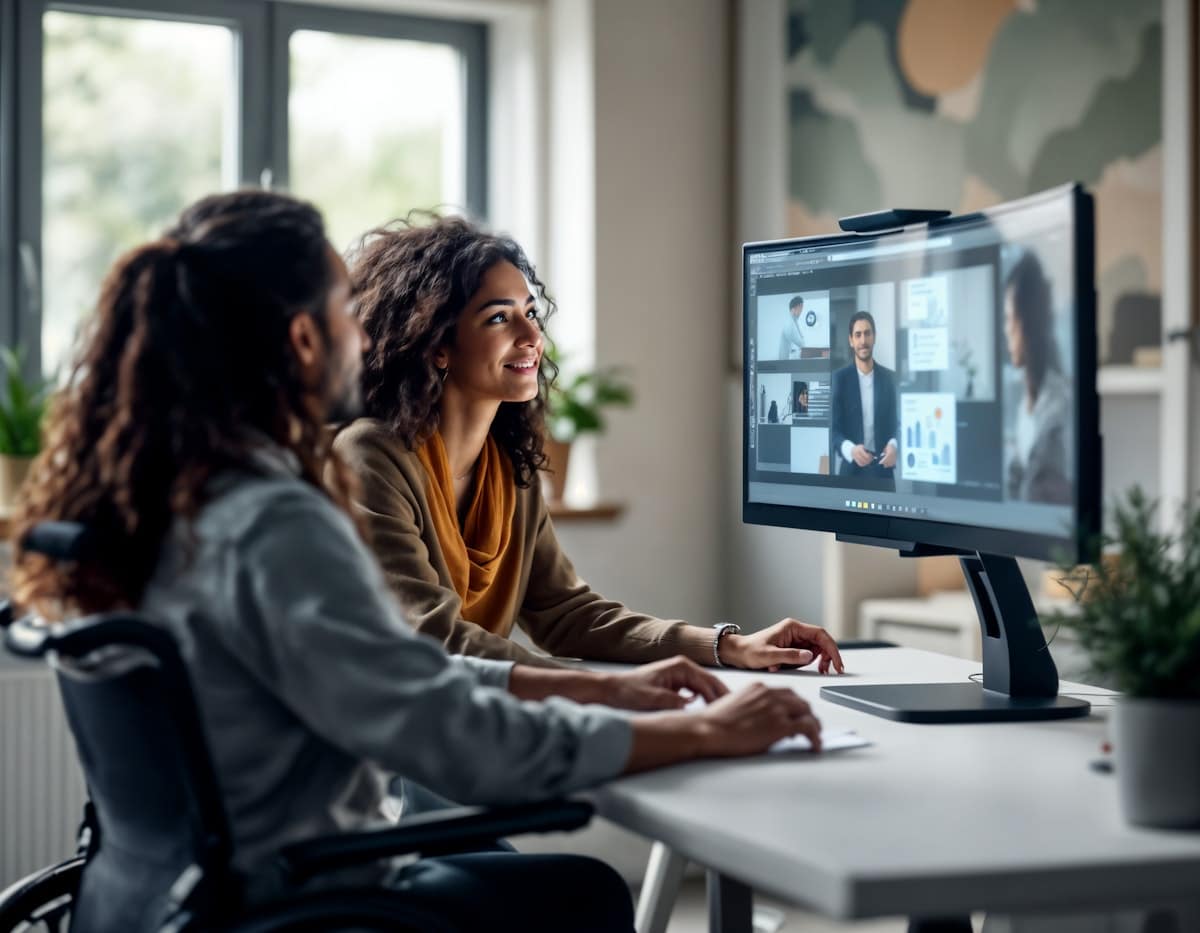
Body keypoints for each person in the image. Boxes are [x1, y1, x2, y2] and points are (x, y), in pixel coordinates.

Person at [10, 191, 824, 929]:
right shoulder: (276, 520)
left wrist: (611, 683)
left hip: (149, 896)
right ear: (302, 337)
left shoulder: (183, 503)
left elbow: (406, 669)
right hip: (297, 901)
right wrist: (696, 733)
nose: (361, 331)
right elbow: (443, 723)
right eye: (342, 308)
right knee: (584, 893)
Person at [335, 215, 845, 680]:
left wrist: (727, 646)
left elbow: (565, 613)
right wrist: (601, 690)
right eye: (499, 318)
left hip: (474, 721)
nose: (531, 333)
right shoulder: (372, 456)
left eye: (531, 312)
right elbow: (433, 638)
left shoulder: (510, 464)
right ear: (436, 345)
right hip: (385, 747)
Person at [1003, 251, 1072, 504]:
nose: (1006, 330)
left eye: (1010, 319)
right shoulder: (1028, 400)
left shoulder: (1057, 406)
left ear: (1027, 323)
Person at [830, 311, 898, 484]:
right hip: (850, 472)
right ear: (851, 341)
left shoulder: (890, 378)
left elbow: (899, 423)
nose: (863, 341)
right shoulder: (839, 379)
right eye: (858, 335)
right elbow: (833, 429)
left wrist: (894, 444)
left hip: (883, 471)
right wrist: (851, 449)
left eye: (867, 333)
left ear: (874, 337)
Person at [778, 295, 806, 359]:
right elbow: (801, 344)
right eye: (800, 308)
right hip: (785, 364)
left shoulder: (793, 322)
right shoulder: (789, 324)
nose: (801, 312)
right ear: (793, 309)